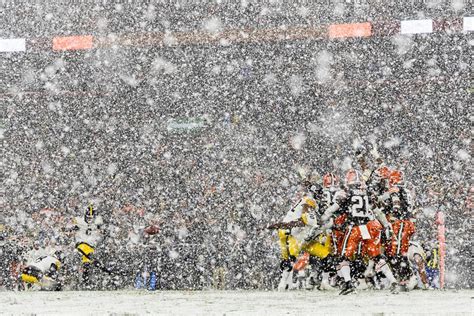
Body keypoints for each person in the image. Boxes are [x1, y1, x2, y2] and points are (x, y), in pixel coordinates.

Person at [319, 169, 398, 295]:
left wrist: (322, 218)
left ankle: (348, 283)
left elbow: (332, 209)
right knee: (377, 256)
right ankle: (393, 281)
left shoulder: (346, 192)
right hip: (368, 227)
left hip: (354, 227)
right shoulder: (367, 192)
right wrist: (386, 225)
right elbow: (377, 211)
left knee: (343, 257)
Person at [384, 170, 416, 291]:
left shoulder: (396, 190)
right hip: (407, 222)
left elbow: (396, 206)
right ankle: (404, 278)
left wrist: (392, 215)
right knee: (399, 251)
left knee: (397, 252)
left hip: (401, 222)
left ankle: (407, 278)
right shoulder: (406, 190)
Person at [73, 204, 108, 287]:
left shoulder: (97, 222)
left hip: (90, 245)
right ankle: (104, 269)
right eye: (88, 217)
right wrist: (72, 229)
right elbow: (68, 228)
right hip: (81, 244)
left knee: (87, 263)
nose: (89, 219)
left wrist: (102, 230)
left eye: (91, 218)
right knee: (90, 258)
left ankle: (86, 282)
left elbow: (103, 231)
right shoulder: (79, 221)